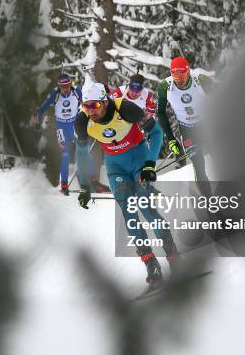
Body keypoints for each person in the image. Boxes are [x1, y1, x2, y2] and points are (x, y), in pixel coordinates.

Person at [74, 82, 179, 289]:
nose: (91, 110)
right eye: (86, 106)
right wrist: (85, 186)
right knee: (130, 215)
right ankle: (151, 266)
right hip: (115, 166)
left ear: (105, 101)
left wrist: (150, 164)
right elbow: (81, 153)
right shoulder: (82, 121)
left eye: (94, 105)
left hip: (139, 158)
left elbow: (156, 133)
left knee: (147, 210)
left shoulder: (125, 108)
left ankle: (175, 260)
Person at [37, 74, 109, 195]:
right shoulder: (55, 93)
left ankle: (94, 182)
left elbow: (89, 99)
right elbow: (43, 106)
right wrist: (38, 116)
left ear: (70, 84)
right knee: (65, 155)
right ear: (59, 86)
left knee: (85, 151)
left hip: (74, 125)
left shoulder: (77, 92)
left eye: (67, 86)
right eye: (63, 86)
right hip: (61, 128)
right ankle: (64, 184)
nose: (65, 88)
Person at [157, 57, 213, 196]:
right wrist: (171, 139)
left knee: (221, 157)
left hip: (207, 127)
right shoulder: (165, 86)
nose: (179, 80)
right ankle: (211, 204)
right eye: (175, 76)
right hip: (187, 131)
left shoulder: (200, 80)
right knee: (199, 166)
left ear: (188, 72)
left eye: (181, 76)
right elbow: (161, 112)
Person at [111, 73, 163, 161]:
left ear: (141, 89)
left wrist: (150, 128)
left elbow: (151, 113)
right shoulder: (120, 92)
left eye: (137, 92)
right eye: (132, 90)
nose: (134, 94)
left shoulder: (146, 95)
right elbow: (108, 106)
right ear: (129, 86)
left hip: (137, 126)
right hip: (121, 124)